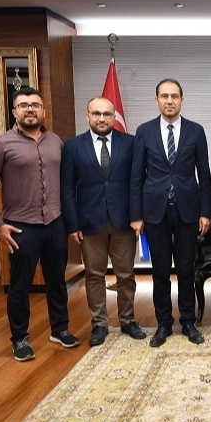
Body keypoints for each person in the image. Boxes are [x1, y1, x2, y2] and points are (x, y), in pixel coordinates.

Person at [0, 87, 79, 361]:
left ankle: (60, 328)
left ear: (43, 110)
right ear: (14, 111)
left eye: (35, 105)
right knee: (20, 286)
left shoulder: (55, 142)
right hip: (21, 228)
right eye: (24, 105)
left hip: (55, 224)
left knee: (57, 281)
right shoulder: (0, 144)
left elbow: (66, 184)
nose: (30, 110)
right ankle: (20, 338)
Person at [130, 79, 211, 347]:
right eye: (164, 96)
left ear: (182, 100)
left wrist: (206, 212)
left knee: (187, 269)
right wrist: (136, 215)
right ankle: (164, 323)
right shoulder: (144, 131)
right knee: (160, 271)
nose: (169, 101)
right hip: (155, 212)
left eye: (174, 96)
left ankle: (188, 321)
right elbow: (136, 177)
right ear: (156, 100)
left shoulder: (196, 131)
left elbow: (204, 174)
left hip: (188, 211)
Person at [61, 97, 146, 347]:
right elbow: (67, 189)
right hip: (89, 222)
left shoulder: (131, 143)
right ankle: (99, 324)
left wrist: (137, 216)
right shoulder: (72, 147)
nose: (101, 118)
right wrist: (72, 224)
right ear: (87, 116)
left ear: (114, 116)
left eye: (107, 114)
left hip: (124, 221)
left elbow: (137, 182)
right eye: (96, 113)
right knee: (94, 275)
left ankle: (128, 320)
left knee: (126, 274)